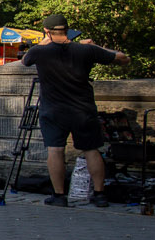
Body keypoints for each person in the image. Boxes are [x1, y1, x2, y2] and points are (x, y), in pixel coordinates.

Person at [21, 13, 131, 208]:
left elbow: (25, 61)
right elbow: (123, 59)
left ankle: (59, 195)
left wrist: (44, 41)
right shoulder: (86, 50)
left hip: (53, 110)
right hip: (83, 109)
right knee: (91, 150)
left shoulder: (39, 52)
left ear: (47, 31)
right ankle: (99, 194)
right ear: (67, 29)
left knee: (55, 150)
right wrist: (96, 47)